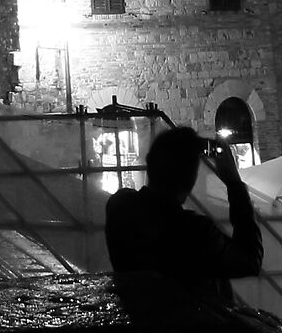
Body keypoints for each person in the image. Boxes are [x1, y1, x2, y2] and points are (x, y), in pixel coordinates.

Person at [103, 126, 261, 296]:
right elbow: (250, 260)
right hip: (192, 321)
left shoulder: (119, 206)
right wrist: (233, 182)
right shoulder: (195, 232)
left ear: (149, 163)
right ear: (192, 177)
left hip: (140, 316)